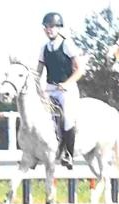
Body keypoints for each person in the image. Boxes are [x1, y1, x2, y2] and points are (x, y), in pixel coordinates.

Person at [35, 11, 86, 168]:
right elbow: (38, 71)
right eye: (46, 27)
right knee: (38, 115)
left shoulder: (67, 44)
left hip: (66, 89)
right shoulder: (44, 47)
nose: (49, 30)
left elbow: (80, 70)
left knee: (67, 118)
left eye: (51, 27)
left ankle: (68, 153)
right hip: (50, 88)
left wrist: (67, 84)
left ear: (58, 28)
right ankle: (35, 151)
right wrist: (38, 88)